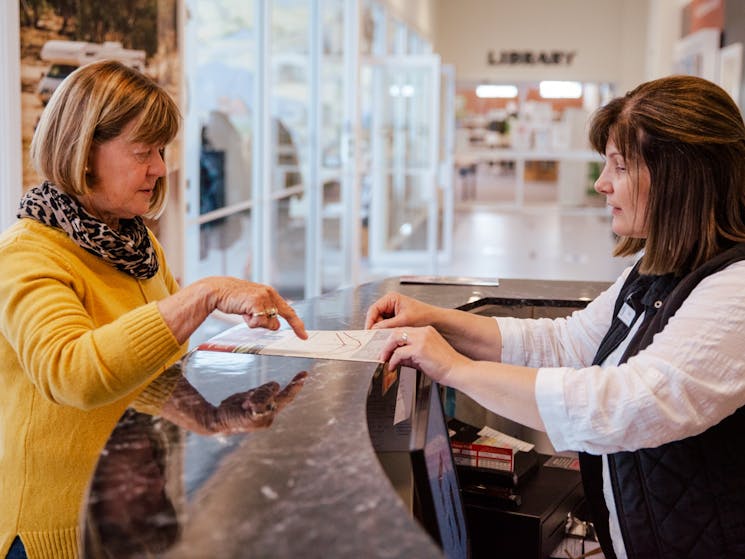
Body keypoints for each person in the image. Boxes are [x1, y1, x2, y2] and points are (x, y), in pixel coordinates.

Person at [366, 75, 745, 559]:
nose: (601, 183)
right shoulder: (658, 269)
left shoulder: (735, 287)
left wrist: (456, 369)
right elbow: (567, 344)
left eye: (620, 166)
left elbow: (630, 405)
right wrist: (437, 321)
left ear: (681, 176)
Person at [0, 59, 307, 559]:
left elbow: (147, 369)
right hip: (58, 533)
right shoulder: (27, 253)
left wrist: (204, 416)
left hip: (131, 521)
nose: (160, 168)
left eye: (161, 151)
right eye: (143, 151)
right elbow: (72, 373)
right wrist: (201, 295)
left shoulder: (133, 243)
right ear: (83, 151)